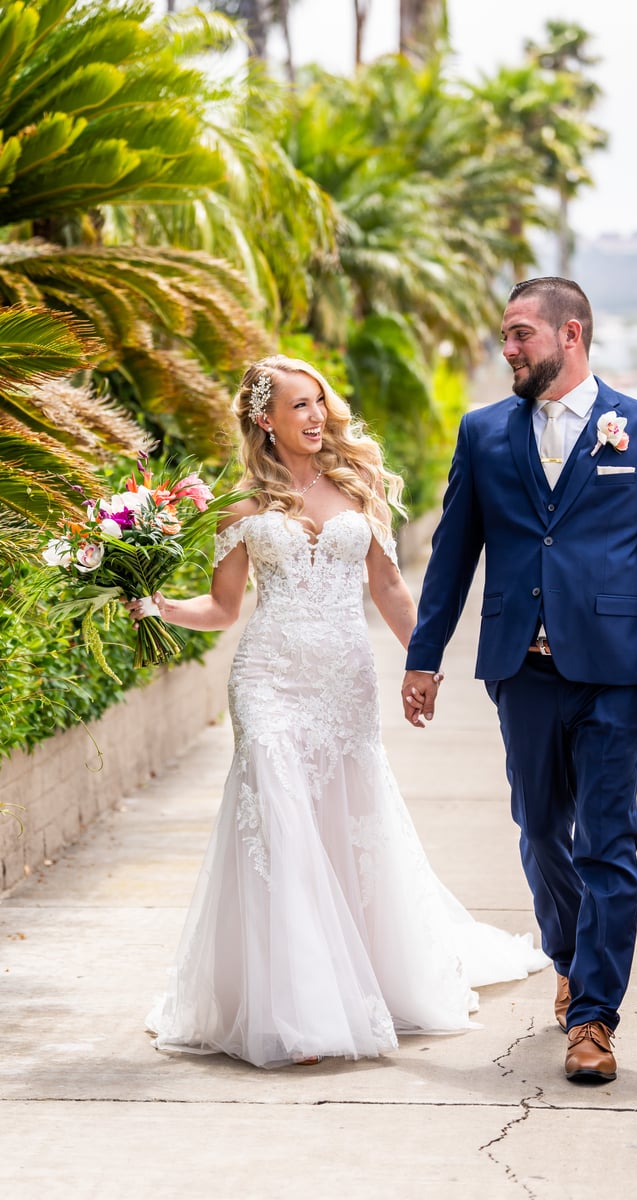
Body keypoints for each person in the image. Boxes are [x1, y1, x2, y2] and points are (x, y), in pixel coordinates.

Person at [131, 353, 548, 1069]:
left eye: (320, 401)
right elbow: (225, 608)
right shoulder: (242, 508)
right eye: (299, 405)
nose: (316, 415)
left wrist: (424, 663)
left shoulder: (358, 486)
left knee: (344, 818)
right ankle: (297, 1009)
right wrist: (158, 606)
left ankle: (360, 974)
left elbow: (389, 587)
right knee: (279, 820)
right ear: (265, 419)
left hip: (344, 680)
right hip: (268, 678)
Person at [402, 278, 637, 1083]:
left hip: (615, 669)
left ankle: (595, 1018)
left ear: (571, 335)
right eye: (505, 335)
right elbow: (453, 553)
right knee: (539, 829)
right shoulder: (483, 433)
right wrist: (424, 656)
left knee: (607, 839)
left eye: (520, 334)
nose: (508, 348)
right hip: (521, 670)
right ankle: (568, 954)